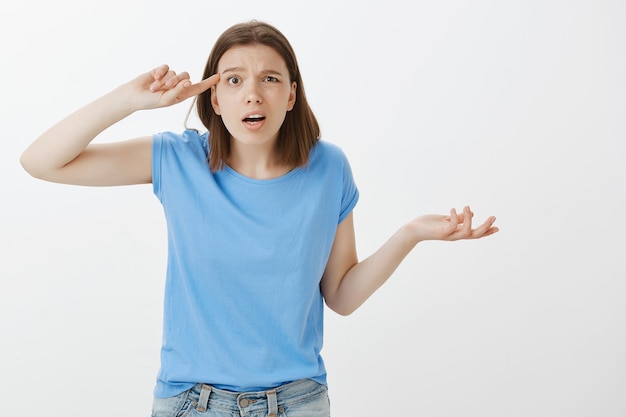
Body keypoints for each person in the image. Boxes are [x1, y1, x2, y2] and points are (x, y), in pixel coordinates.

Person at [20, 20, 498, 417]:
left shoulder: (328, 168)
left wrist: (410, 234)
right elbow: (41, 161)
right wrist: (129, 100)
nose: (253, 94)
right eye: (233, 80)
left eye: (269, 79)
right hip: (192, 402)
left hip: (298, 402)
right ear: (213, 99)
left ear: (291, 95)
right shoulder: (178, 160)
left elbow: (342, 296)